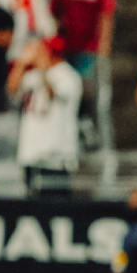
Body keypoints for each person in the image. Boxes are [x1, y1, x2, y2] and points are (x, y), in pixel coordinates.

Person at [7, 36, 82, 196]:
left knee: (56, 206)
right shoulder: (32, 75)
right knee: (32, 208)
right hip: (30, 152)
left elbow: (53, 93)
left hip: (55, 155)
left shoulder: (69, 76)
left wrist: (42, 67)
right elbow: (11, 90)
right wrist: (20, 64)